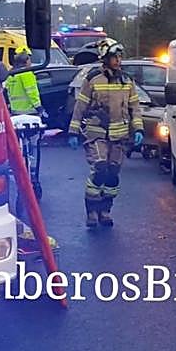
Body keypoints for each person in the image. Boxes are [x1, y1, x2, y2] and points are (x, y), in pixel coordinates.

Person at [67, 38, 143, 229]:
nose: (118, 60)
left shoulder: (127, 81)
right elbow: (80, 106)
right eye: (114, 57)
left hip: (119, 137)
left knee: (113, 174)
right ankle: (91, 210)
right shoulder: (93, 79)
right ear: (105, 58)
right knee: (100, 168)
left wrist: (139, 129)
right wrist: (73, 131)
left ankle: (105, 210)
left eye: (119, 56)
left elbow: (135, 107)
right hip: (97, 133)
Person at [3, 49, 42, 115]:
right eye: (29, 60)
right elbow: (32, 93)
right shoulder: (27, 74)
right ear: (26, 61)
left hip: (15, 111)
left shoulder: (12, 74)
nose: (30, 62)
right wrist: (39, 107)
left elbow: (5, 91)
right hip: (29, 111)